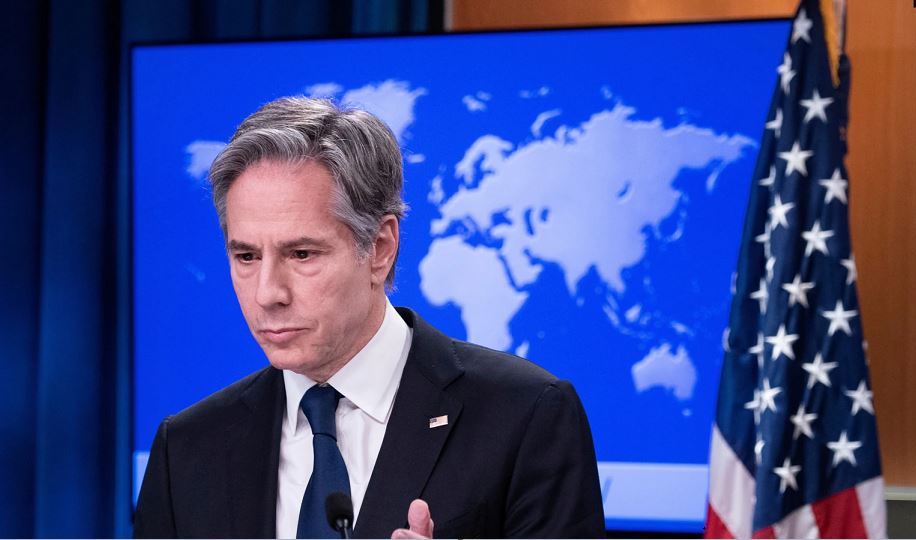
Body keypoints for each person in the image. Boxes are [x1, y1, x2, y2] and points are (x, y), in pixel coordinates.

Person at [133, 96, 605, 539]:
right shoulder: (187, 450)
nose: (268, 293)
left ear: (380, 248)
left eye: (301, 254)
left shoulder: (526, 416)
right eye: (246, 256)